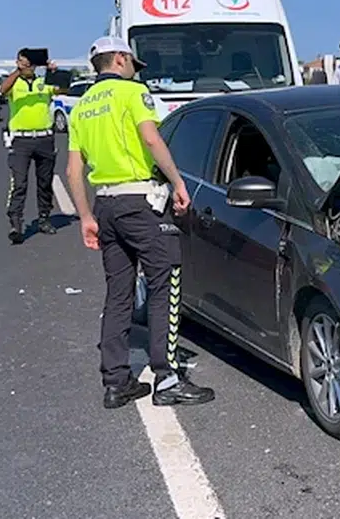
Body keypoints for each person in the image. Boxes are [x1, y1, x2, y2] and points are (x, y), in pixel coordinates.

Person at [66, 35, 215, 409]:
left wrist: (85, 217)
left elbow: (72, 170)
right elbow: (151, 139)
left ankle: (116, 383)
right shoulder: (133, 93)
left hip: (105, 204)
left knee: (119, 293)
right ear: (120, 58)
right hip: (142, 202)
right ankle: (167, 378)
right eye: (133, 62)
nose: (136, 69)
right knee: (164, 283)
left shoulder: (81, 106)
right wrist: (178, 182)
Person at [0, 50, 59, 244]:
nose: (26, 66)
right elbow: (2, 90)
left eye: (30, 63)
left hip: (44, 137)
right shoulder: (14, 82)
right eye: (22, 62)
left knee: (45, 182)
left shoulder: (44, 81)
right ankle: (15, 222)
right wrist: (18, 71)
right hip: (21, 140)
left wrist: (53, 72)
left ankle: (44, 218)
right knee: (19, 182)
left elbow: (63, 89)